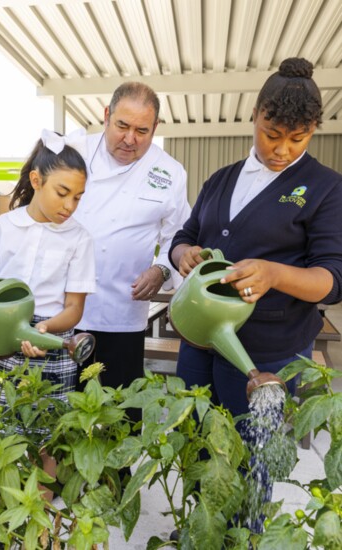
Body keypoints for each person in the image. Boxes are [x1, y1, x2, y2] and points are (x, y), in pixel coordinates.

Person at [169, 58, 342, 531]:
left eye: (297, 139)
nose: (282, 149)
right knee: (197, 445)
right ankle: (200, 530)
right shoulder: (222, 179)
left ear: (312, 133)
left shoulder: (326, 189)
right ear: (256, 115)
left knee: (249, 458)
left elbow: (332, 277)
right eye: (272, 134)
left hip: (267, 351)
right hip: (200, 340)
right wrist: (183, 252)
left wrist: (273, 273)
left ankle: (246, 537)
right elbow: (183, 234)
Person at [0, 130, 96, 500]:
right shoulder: (6, 226)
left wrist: (45, 329)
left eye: (78, 197)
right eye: (62, 193)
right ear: (36, 181)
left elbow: (74, 308)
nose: (70, 205)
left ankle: (41, 524)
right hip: (2, 342)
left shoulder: (79, 238)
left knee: (47, 440)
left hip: (52, 342)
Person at [73, 82, 191, 406]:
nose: (130, 139)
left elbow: (178, 237)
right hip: (62, 309)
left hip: (122, 312)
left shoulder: (170, 172)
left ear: (156, 128)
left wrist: (160, 271)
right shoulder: (73, 153)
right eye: (122, 126)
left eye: (142, 130)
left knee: (120, 415)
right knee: (60, 417)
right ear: (106, 115)